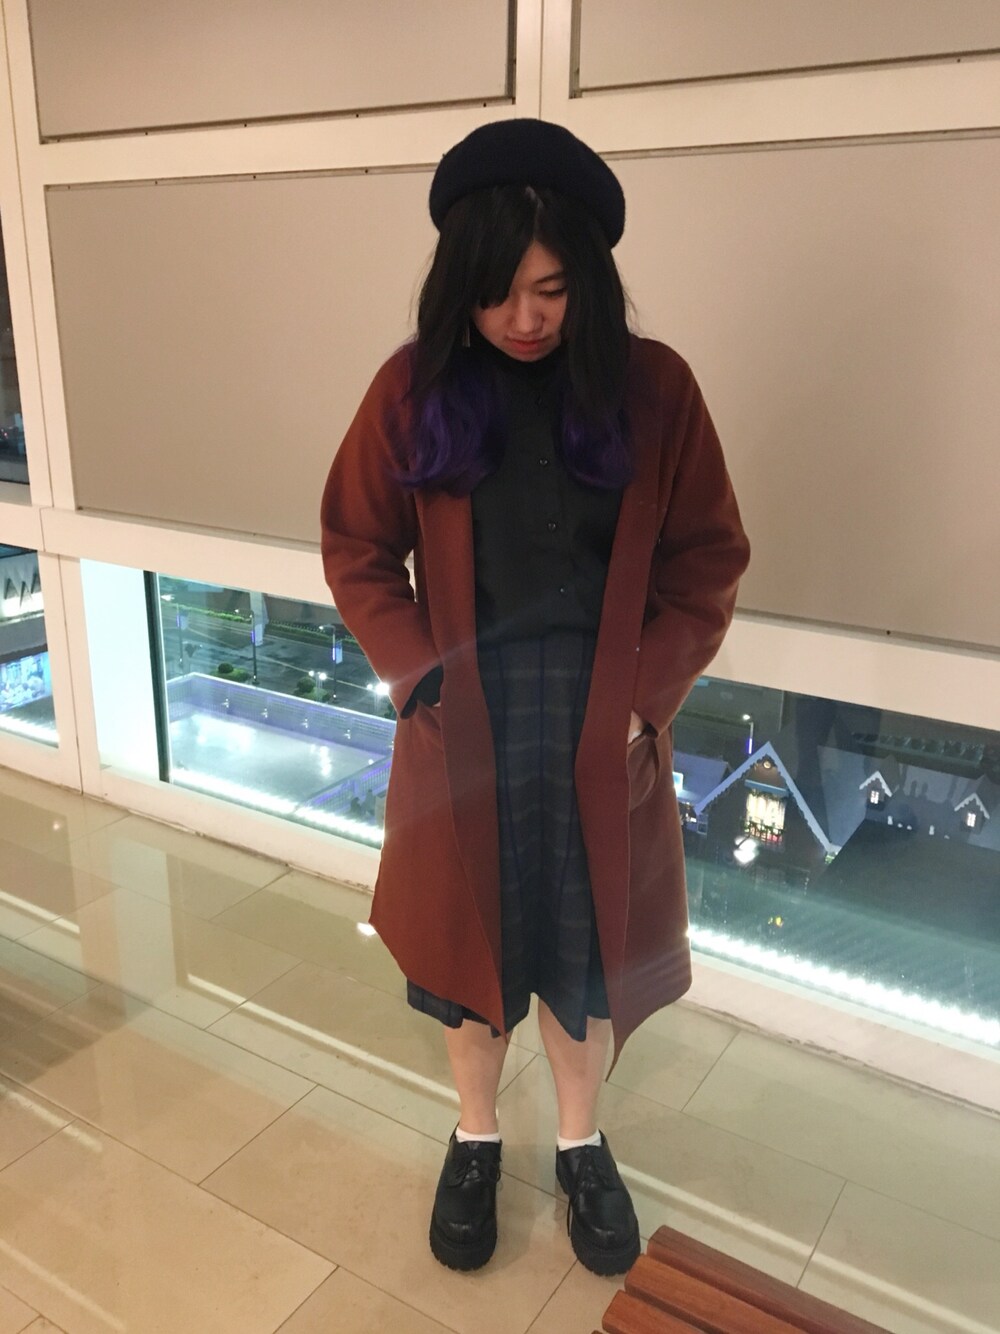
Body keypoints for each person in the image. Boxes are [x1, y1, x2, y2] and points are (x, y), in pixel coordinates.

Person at [320, 118, 749, 1276]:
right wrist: (418, 676)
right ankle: (474, 1136)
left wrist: (644, 700)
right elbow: (356, 546)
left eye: (551, 290)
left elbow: (707, 559)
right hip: (464, 714)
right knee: (473, 947)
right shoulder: (413, 388)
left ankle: (578, 1141)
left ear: (589, 282)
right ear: (457, 284)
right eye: (498, 292)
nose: (523, 317)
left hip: (600, 719)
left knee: (582, 947)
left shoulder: (655, 390)